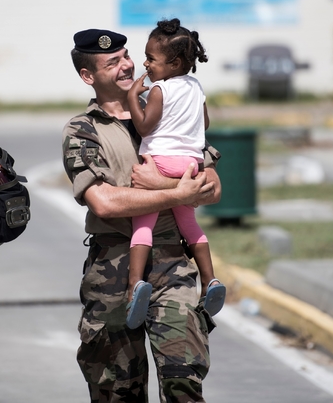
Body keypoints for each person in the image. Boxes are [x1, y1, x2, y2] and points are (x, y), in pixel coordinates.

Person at [62, 28, 222, 402]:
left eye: (126, 57)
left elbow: (212, 189)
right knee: (119, 391)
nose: (127, 66)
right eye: (112, 62)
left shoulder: (171, 106)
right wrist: (175, 191)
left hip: (173, 265)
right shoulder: (83, 130)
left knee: (184, 383)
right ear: (89, 75)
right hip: (112, 272)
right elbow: (103, 202)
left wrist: (169, 188)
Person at [125, 18, 226, 329]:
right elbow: (204, 124)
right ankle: (209, 281)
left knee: (143, 224)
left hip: (160, 163)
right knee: (190, 224)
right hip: (191, 165)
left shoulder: (159, 90)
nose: (145, 63)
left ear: (175, 62)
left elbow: (144, 126)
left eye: (151, 58)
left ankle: (134, 286)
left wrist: (133, 98)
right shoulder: (196, 87)